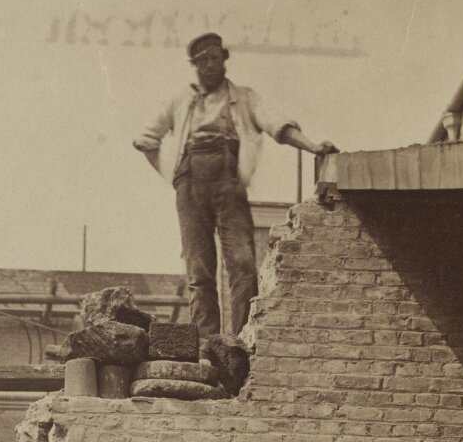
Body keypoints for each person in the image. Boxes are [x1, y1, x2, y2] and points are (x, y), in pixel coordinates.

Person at [133, 32, 338, 339]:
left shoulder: (244, 97)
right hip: (190, 190)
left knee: (242, 266)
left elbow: (277, 124)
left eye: (215, 57)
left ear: (224, 59)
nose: (210, 65)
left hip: (229, 188)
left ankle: (241, 345)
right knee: (199, 272)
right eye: (202, 61)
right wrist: (173, 177)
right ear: (194, 65)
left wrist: (313, 146)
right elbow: (146, 140)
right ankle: (206, 344)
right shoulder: (179, 101)